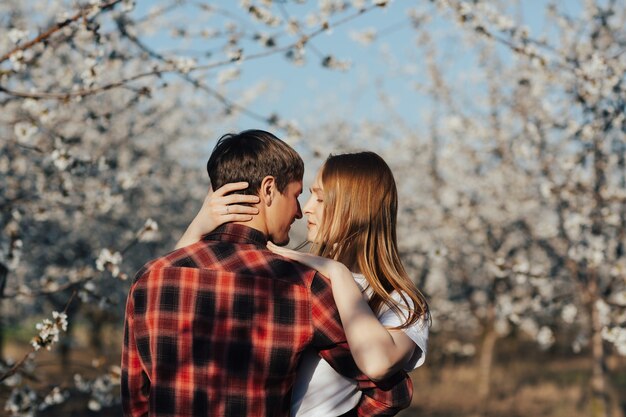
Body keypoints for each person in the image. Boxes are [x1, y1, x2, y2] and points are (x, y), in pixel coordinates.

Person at [121, 130, 413, 417]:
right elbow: (389, 392)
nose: (300, 212)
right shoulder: (302, 286)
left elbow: (136, 401)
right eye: (297, 195)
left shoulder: (150, 278)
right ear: (269, 189)